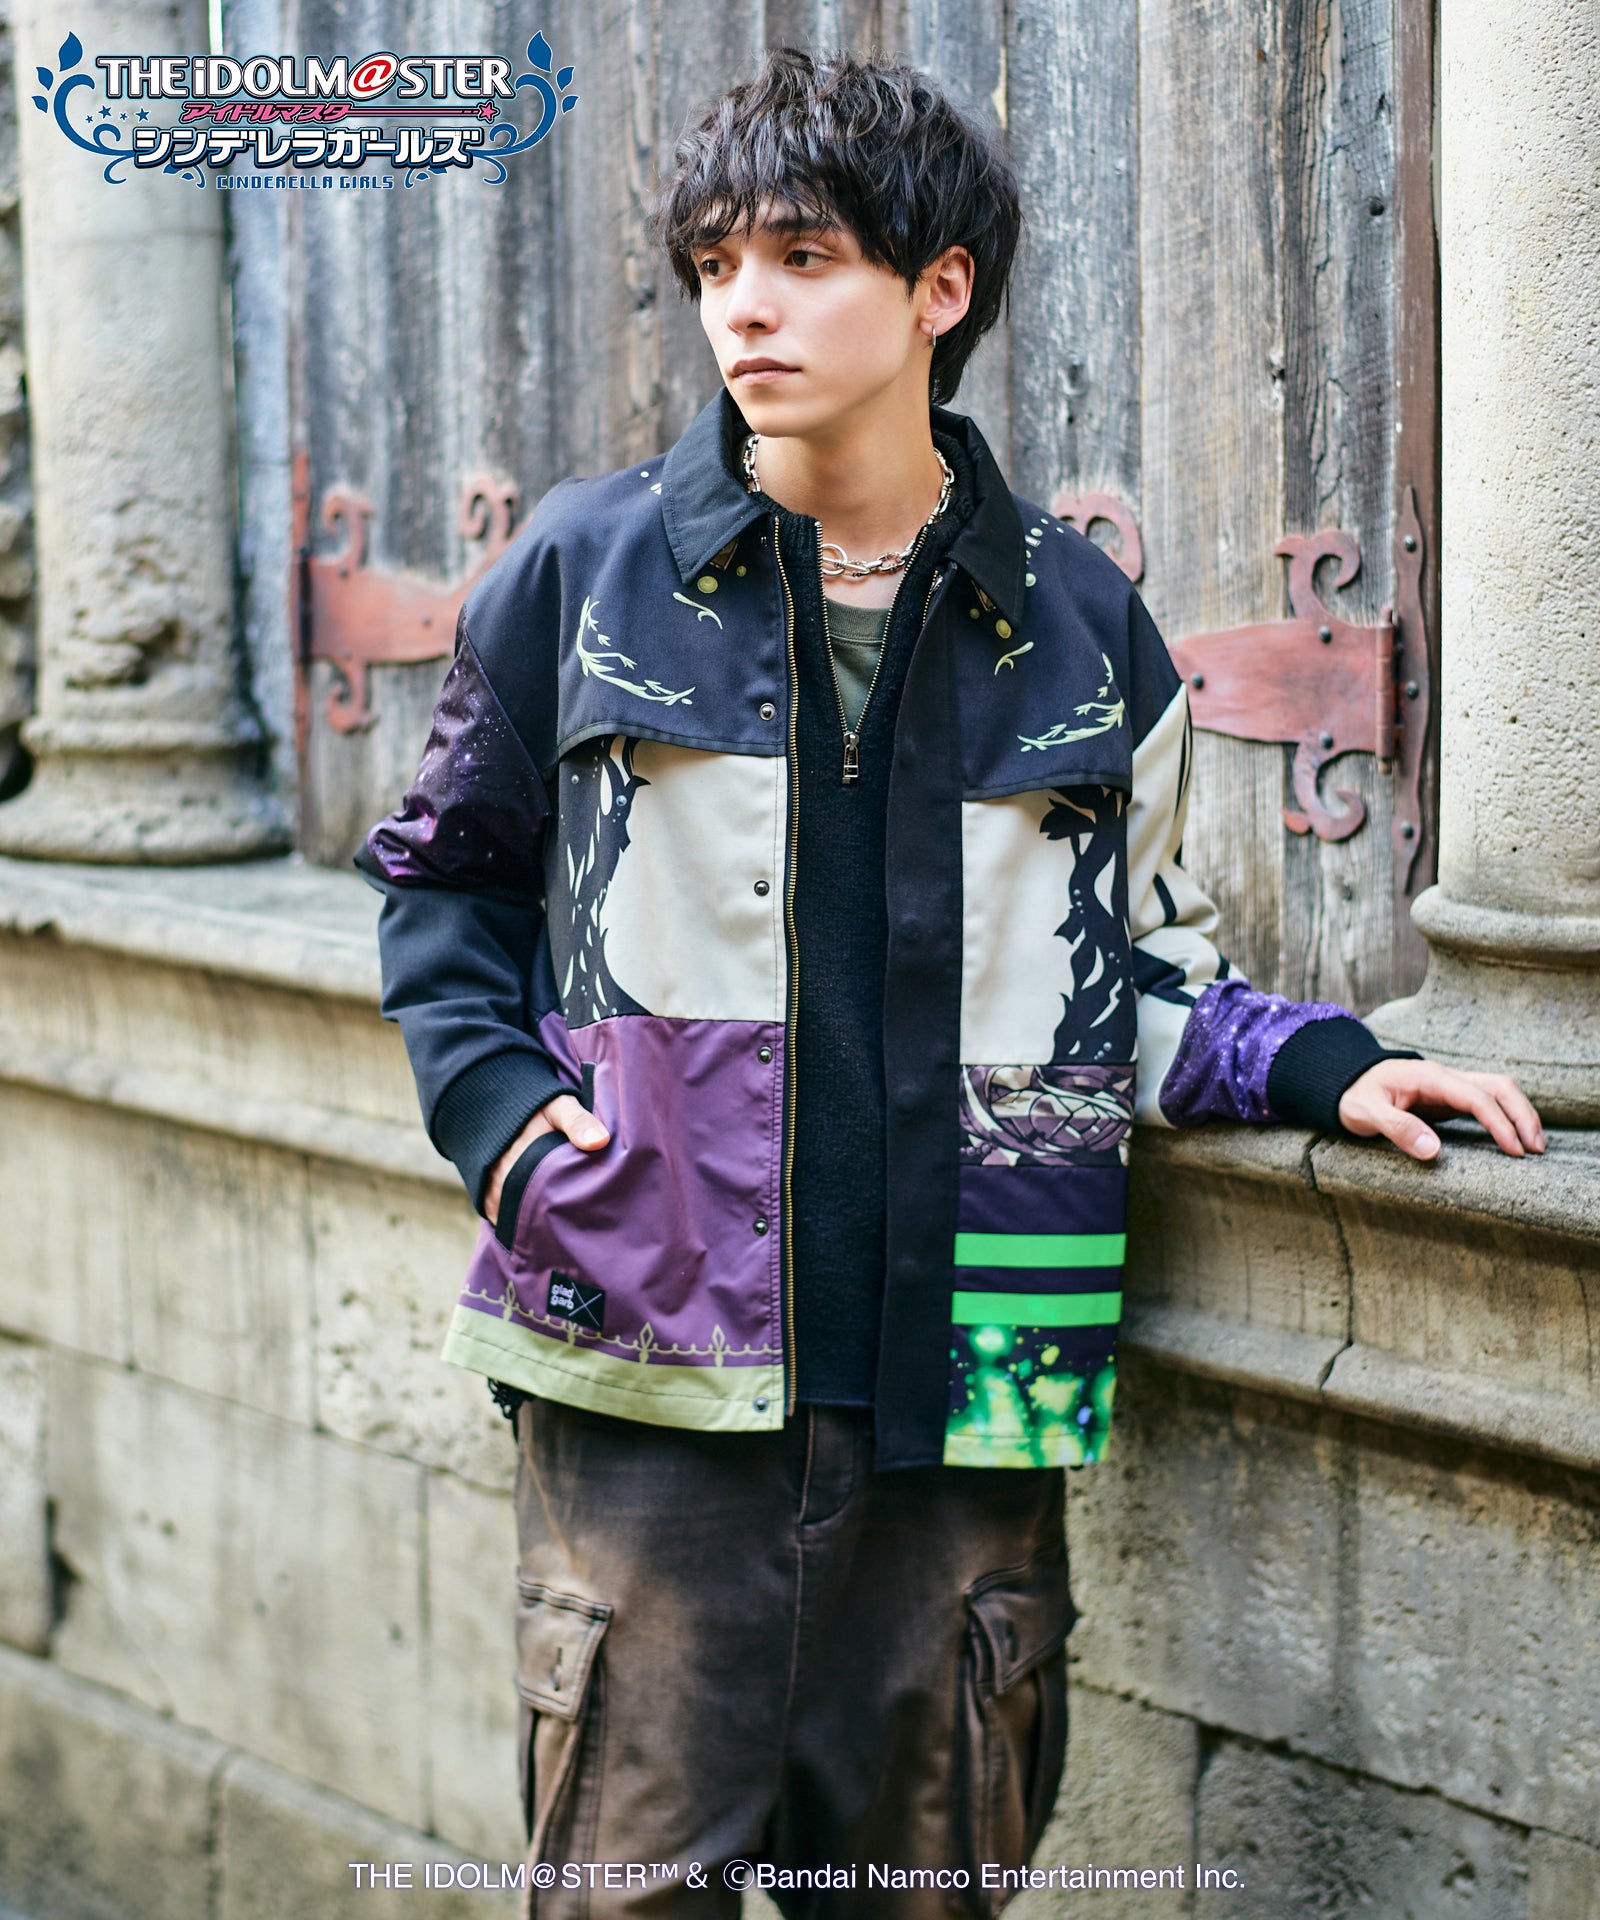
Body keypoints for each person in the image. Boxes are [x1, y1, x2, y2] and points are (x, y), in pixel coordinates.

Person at [356, 45, 1544, 1919]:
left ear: (939, 289)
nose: (744, 306)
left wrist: (1327, 1068)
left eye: (803, 256)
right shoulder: (584, 574)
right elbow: (445, 887)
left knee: (926, 1892)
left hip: (973, 1384)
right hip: (651, 1363)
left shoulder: (1077, 624)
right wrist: (507, 1130)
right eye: (717, 264)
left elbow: (1121, 970)